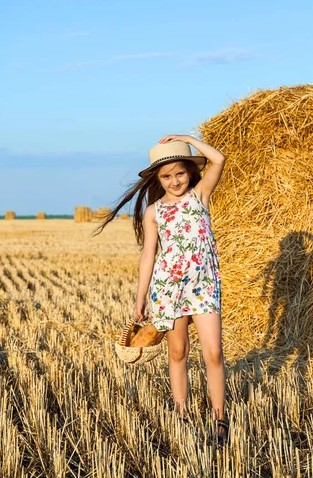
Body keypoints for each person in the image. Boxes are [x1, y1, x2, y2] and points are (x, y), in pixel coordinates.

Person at [97, 134, 228, 446]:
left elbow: (219, 159)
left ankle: (220, 418)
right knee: (178, 351)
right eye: (167, 176)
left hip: (204, 286)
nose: (175, 181)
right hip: (168, 290)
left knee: (214, 352)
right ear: (158, 178)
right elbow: (148, 256)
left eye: (180, 173)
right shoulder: (154, 212)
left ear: (191, 172)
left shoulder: (200, 195)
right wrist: (140, 299)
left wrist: (188, 138)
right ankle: (181, 415)